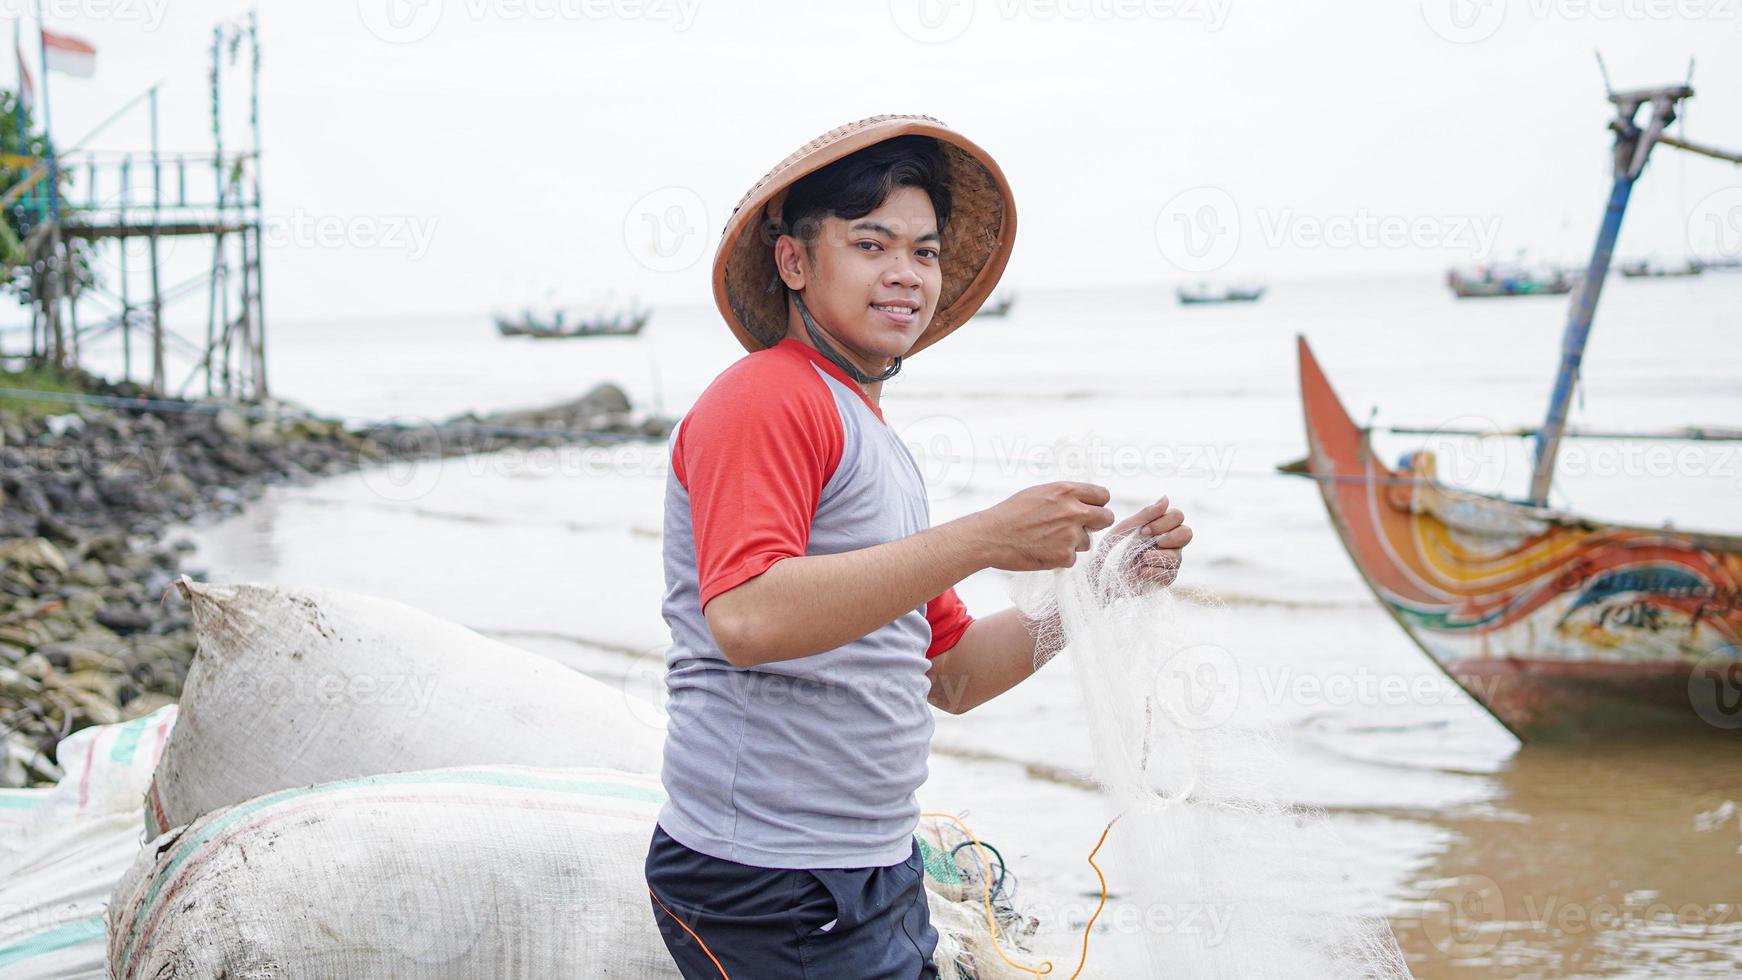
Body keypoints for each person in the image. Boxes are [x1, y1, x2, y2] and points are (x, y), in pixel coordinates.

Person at [644, 115, 1193, 978]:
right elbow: (745, 618)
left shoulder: (873, 437)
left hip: (872, 866)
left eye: (925, 252)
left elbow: (957, 673)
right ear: (794, 261)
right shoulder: (765, 397)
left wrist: (1102, 583)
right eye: (872, 244)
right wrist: (986, 537)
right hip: (767, 878)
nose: (905, 273)